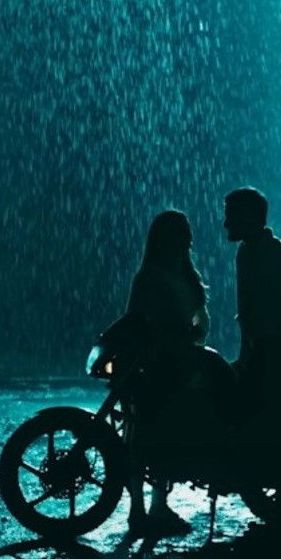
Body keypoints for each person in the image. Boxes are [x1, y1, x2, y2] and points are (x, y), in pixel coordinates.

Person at [124, 210, 209, 538]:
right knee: (147, 437)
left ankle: (153, 507)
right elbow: (138, 322)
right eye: (181, 233)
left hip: (176, 362)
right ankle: (141, 509)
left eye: (186, 233)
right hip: (156, 365)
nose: (187, 239)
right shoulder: (157, 277)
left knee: (158, 436)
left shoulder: (175, 276)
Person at [223, 187, 281, 434]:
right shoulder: (247, 252)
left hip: (277, 356)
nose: (226, 223)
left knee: (263, 429)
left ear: (248, 217)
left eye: (231, 216)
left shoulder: (278, 257)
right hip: (262, 352)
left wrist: (262, 350)